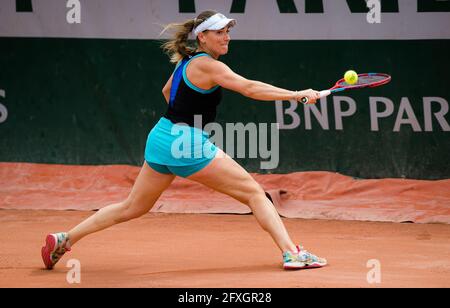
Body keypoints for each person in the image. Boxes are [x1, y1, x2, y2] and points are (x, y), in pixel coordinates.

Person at [41, 10, 326, 271]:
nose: (226, 37)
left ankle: (64, 239)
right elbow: (250, 88)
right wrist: (296, 94)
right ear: (202, 36)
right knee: (254, 193)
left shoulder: (187, 62)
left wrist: (188, 117)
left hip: (161, 136)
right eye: (219, 32)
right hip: (186, 143)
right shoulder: (210, 66)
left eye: (228, 31)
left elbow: (167, 92)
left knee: (133, 207)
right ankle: (292, 253)